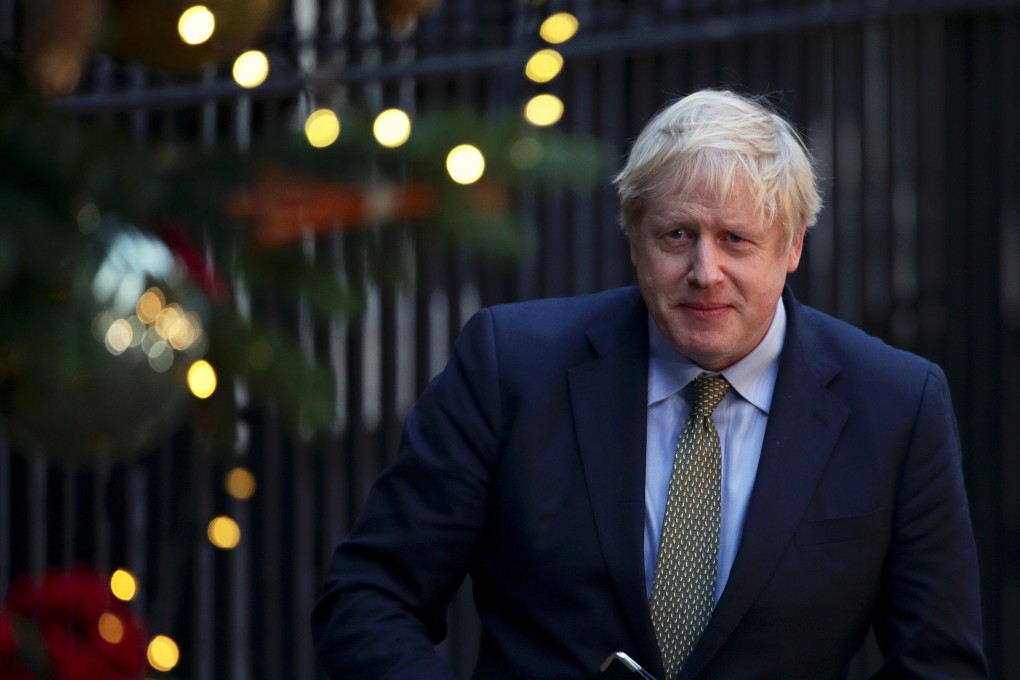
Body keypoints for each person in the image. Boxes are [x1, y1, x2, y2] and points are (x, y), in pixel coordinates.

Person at [311, 89, 987, 679]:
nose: (705, 271)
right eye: (676, 235)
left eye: (736, 241)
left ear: (793, 248)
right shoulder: (510, 368)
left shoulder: (897, 406)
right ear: (634, 240)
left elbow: (939, 662)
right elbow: (370, 597)